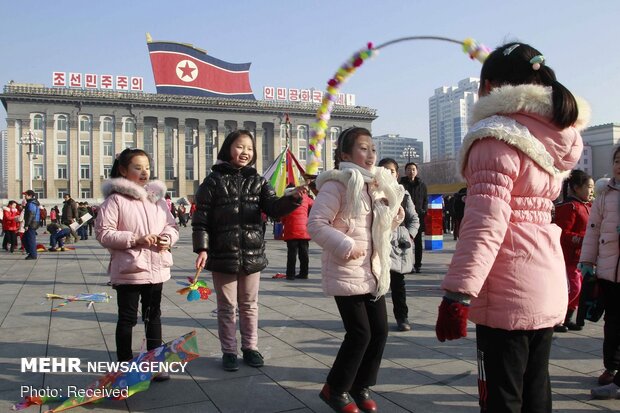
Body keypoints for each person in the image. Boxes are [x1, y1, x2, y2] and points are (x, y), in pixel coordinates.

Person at [434, 42, 588, 413]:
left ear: (490, 86)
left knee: (501, 396)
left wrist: (457, 294)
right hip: (544, 284)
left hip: (507, 290)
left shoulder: (495, 136)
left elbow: (485, 222)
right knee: (536, 390)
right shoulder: (550, 136)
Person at [308, 127, 405, 413]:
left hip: (373, 270)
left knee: (380, 331)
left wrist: (394, 215)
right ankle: (334, 389)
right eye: (363, 148)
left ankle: (361, 386)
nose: (371, 153)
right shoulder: (337, 185)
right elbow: (316, 224)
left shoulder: (374, 185)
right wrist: (346, 245)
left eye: (373, 148)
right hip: (346, 269)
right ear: (345, 155)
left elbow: (380, 229)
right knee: (360, 332)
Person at [192, 130, 304, 372]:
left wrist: (293, 199)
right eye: (240, 147)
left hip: (252, 253)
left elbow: (273, 208)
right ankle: (229, 351)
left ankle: (250, 348)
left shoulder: (259, 181)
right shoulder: (213, 181)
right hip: (222, 253)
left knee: (250, 304)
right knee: (226, 307)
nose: (245, 152)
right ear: (227, 149)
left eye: (249, 149)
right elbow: (200, 219)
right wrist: (202, 248)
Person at [95, 148, 179, 381]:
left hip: (156, 269)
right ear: (123, 170)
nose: (144, 172)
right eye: (137, 167)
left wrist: (167, 238)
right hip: (130, 270)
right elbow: (104, 234)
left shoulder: (158, 201)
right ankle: (124, 365)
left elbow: (172, 226)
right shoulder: (115, 200)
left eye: (147, 168)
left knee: (154, 317)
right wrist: (135, 239)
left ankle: (154, 363)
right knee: (127, 318)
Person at [580, 147, 620, 398]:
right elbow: (592, 230)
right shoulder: (604, 194)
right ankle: (611, 368)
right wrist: (587, 261)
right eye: (617, 160)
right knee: (612, 323)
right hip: (608, 270)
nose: (619, 165)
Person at [379, 158, 419, 332]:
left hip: (396, 246)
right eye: (385, 170)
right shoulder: (372, 192)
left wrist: (409, 235)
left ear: (397, 174)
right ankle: (377, 319)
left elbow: (414, 219)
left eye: (392, 171)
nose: (389, 173)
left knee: (397, 284)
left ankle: (402, 317)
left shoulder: (404, 194)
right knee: (376, 285)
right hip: (377, 244)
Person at [553, 170, 593, 333]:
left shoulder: (588, 206)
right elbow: (563, 233)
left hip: (582, 257)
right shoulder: (569, 207)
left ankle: (567, 318)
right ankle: (557, 319)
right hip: (568, 257)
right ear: (576, 188)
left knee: (579, 288)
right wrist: (583, 240)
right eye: (588, 187)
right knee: (572, 287)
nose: (591, 191)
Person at [281, 183, 314, 280]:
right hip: (304, 229)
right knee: (304, 253)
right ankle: (304, 273)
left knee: (292, 254)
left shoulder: (287, 200)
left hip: (291, 230)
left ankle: (290, 274)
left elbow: (283, 215)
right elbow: (315, 205)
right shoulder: (306, 198)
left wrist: (284, 222)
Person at [400, 162, 427, 273]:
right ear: (405, 171)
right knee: (406, 242)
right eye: (409, 169)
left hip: (418, 217)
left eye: (413, 169)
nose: (411, 171)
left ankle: (418, 264)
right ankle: (408, 265)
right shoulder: (401, 184)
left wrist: (423, 211)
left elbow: (425, 199)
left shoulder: (422, 185)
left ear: (417, 171)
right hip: (404, 218)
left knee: (418, 242)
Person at [22, 190, 41, 260]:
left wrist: (27, 225)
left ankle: (33, 254)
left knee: (30, 239)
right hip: (33, 222)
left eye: (26, 195)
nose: (25, 196)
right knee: (24, 238)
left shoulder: (31, 203)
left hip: (32, 223)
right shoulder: (32, 203)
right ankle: (30, 252)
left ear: (30, 196)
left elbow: (31, 214)